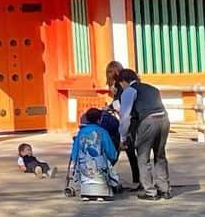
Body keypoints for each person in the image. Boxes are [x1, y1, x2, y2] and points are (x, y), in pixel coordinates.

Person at [116, 68, 171, 200]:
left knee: (142, 156)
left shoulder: (129, 91)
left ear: (123, 82)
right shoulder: (152, 88)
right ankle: (164, 189)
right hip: (164, 119)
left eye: (120, 84)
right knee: (160, 154)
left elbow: (125, 117)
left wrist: (122, 137)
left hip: (147, 121)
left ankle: (150, 191)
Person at [66, 108, 120, 200]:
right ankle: (102, 190)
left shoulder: (81, 133)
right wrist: (112, 158)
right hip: (100, 169)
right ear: (99, 119)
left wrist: (75, 163)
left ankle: (86, 191)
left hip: (84, 170)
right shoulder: (102, 132)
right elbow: (111, 153)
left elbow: (75, 153)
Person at [106, 59, 141, 191]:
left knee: (125, 151)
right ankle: (137, 179)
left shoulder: (121, 86)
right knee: (131, 153)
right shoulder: (122, 83)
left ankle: (136, 180)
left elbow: (119, 103)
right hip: (127, 120)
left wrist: (111, 106)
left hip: (127, 121)